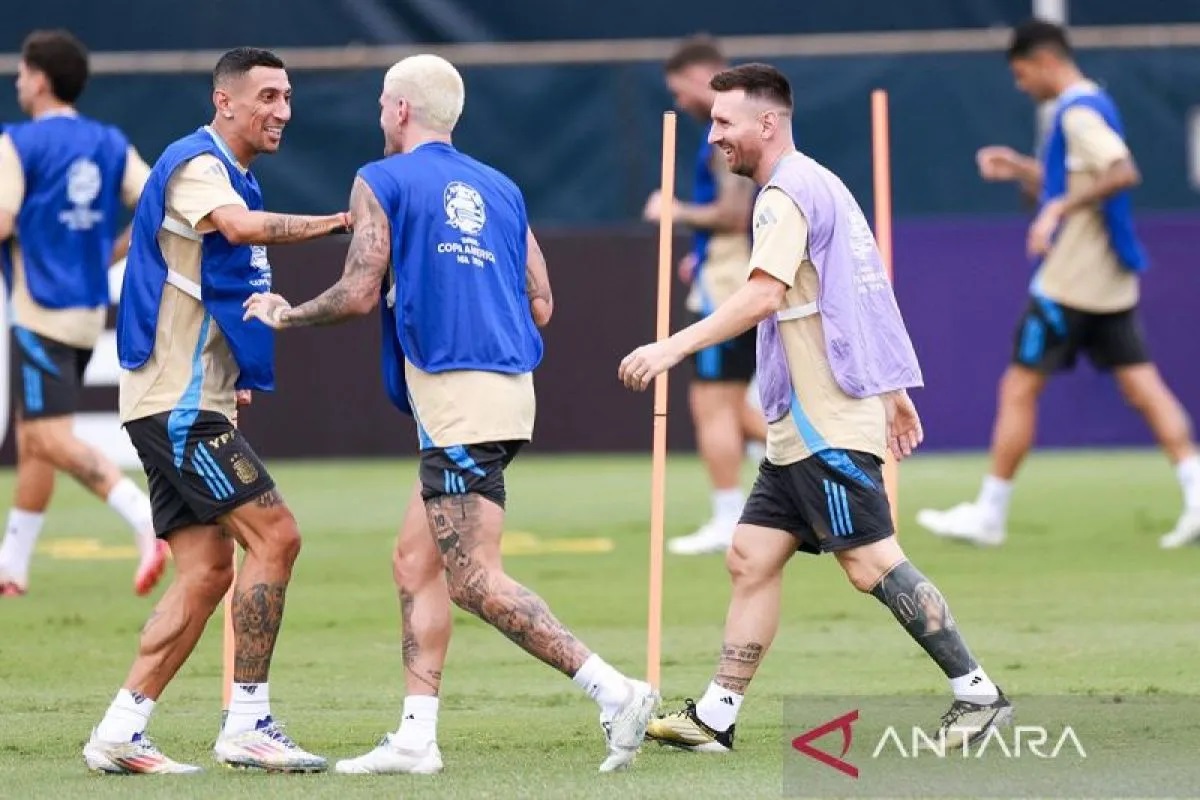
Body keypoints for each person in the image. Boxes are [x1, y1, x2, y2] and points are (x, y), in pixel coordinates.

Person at [242, 53, 659, 774]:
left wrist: (287, 315)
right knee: (414, 560)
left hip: (459, 398)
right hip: (505, 389)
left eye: (382, 105)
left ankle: (615, 691)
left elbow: (358, 291)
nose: (380, 116)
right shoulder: (501, 187)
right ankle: (415, 737)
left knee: (472, 578)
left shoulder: (381, 179)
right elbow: (541, 299)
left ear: (400, 110)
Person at [618, 63, 1011, 753]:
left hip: (821, 418)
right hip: (803, 421)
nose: (713, 138)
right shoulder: (821, 181)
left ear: (766, 124)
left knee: (868, 564)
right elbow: (862, 290)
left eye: (723, 123)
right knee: (749, 556)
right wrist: (890, 390)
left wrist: (671, 346)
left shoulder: (782, 196)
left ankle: (977, 694)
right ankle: (715, 715)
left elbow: (763, 294)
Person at [82, 47, 351, 775]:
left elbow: (217, 283)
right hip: (178, 405)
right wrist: (338, 222)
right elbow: (236, 230)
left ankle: (118, 731)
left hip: (184, 399)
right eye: (268, 96)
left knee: (204, 571)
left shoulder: (235, 175)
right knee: (279, 537)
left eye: (289, 97)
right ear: (224, 101)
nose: (283, 111)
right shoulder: (198, 165)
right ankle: (248, 721)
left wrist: (236, 368)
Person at [915, 19, 1200, 549]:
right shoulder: (1095, 103)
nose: (1022, 86)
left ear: (1045, 62)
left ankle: (990, 514)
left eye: (1022, 74)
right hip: (1109, 283)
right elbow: (1087, 176)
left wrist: (1057, 210)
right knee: (1144, 387)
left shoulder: (1077, 112)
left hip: (1068, 285)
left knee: (1019, 387)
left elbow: (1121, 170)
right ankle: (1197, 492)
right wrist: (1026, 171)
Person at [0, 29, 167, 598]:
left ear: (40, 79)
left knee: (46, 436)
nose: (18, 80)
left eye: (22, 71)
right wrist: (109, 252)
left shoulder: (16, 143)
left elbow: (3, 219)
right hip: (87, 309)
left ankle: (144, 517)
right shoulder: (110, 142)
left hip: (39, 308)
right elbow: (156, 199)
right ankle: (12, 564)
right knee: (34, 437)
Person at [643, 34, 766, 555]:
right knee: (729, 402)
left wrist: (675, 211)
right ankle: (814, 471)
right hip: (729, 270)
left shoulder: (727, 130)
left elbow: (734, 213)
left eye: (680, 90)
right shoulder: (747, 121)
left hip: (731, 282)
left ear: (701, 77)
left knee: (713, 402)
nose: (679, 103)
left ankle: (728, 516)